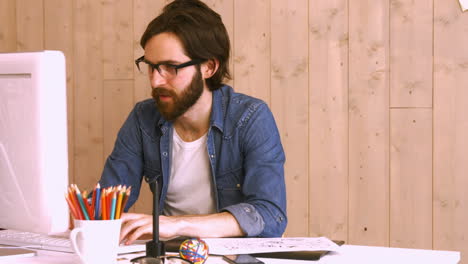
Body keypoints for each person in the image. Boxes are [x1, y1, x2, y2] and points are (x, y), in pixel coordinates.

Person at [98, 0, 287, 245]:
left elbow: (270, 215)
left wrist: (178, 224)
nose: (156, 81)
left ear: (209, 67)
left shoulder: (250, 118)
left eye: (171, 67)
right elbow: (108, 203)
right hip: (170, 255)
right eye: (151, 66)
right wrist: (89, 216)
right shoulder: (142, 119)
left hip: (232, 256)